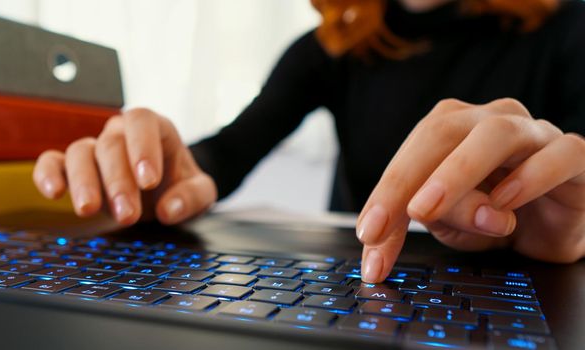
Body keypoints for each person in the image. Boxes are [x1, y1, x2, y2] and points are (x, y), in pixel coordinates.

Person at [33, 0, 585, 283]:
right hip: (366, 293)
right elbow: (225, 153)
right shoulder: (333, 47)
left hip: (525, 288)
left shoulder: (568, 30)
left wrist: (572, 228)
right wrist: (164, 177)